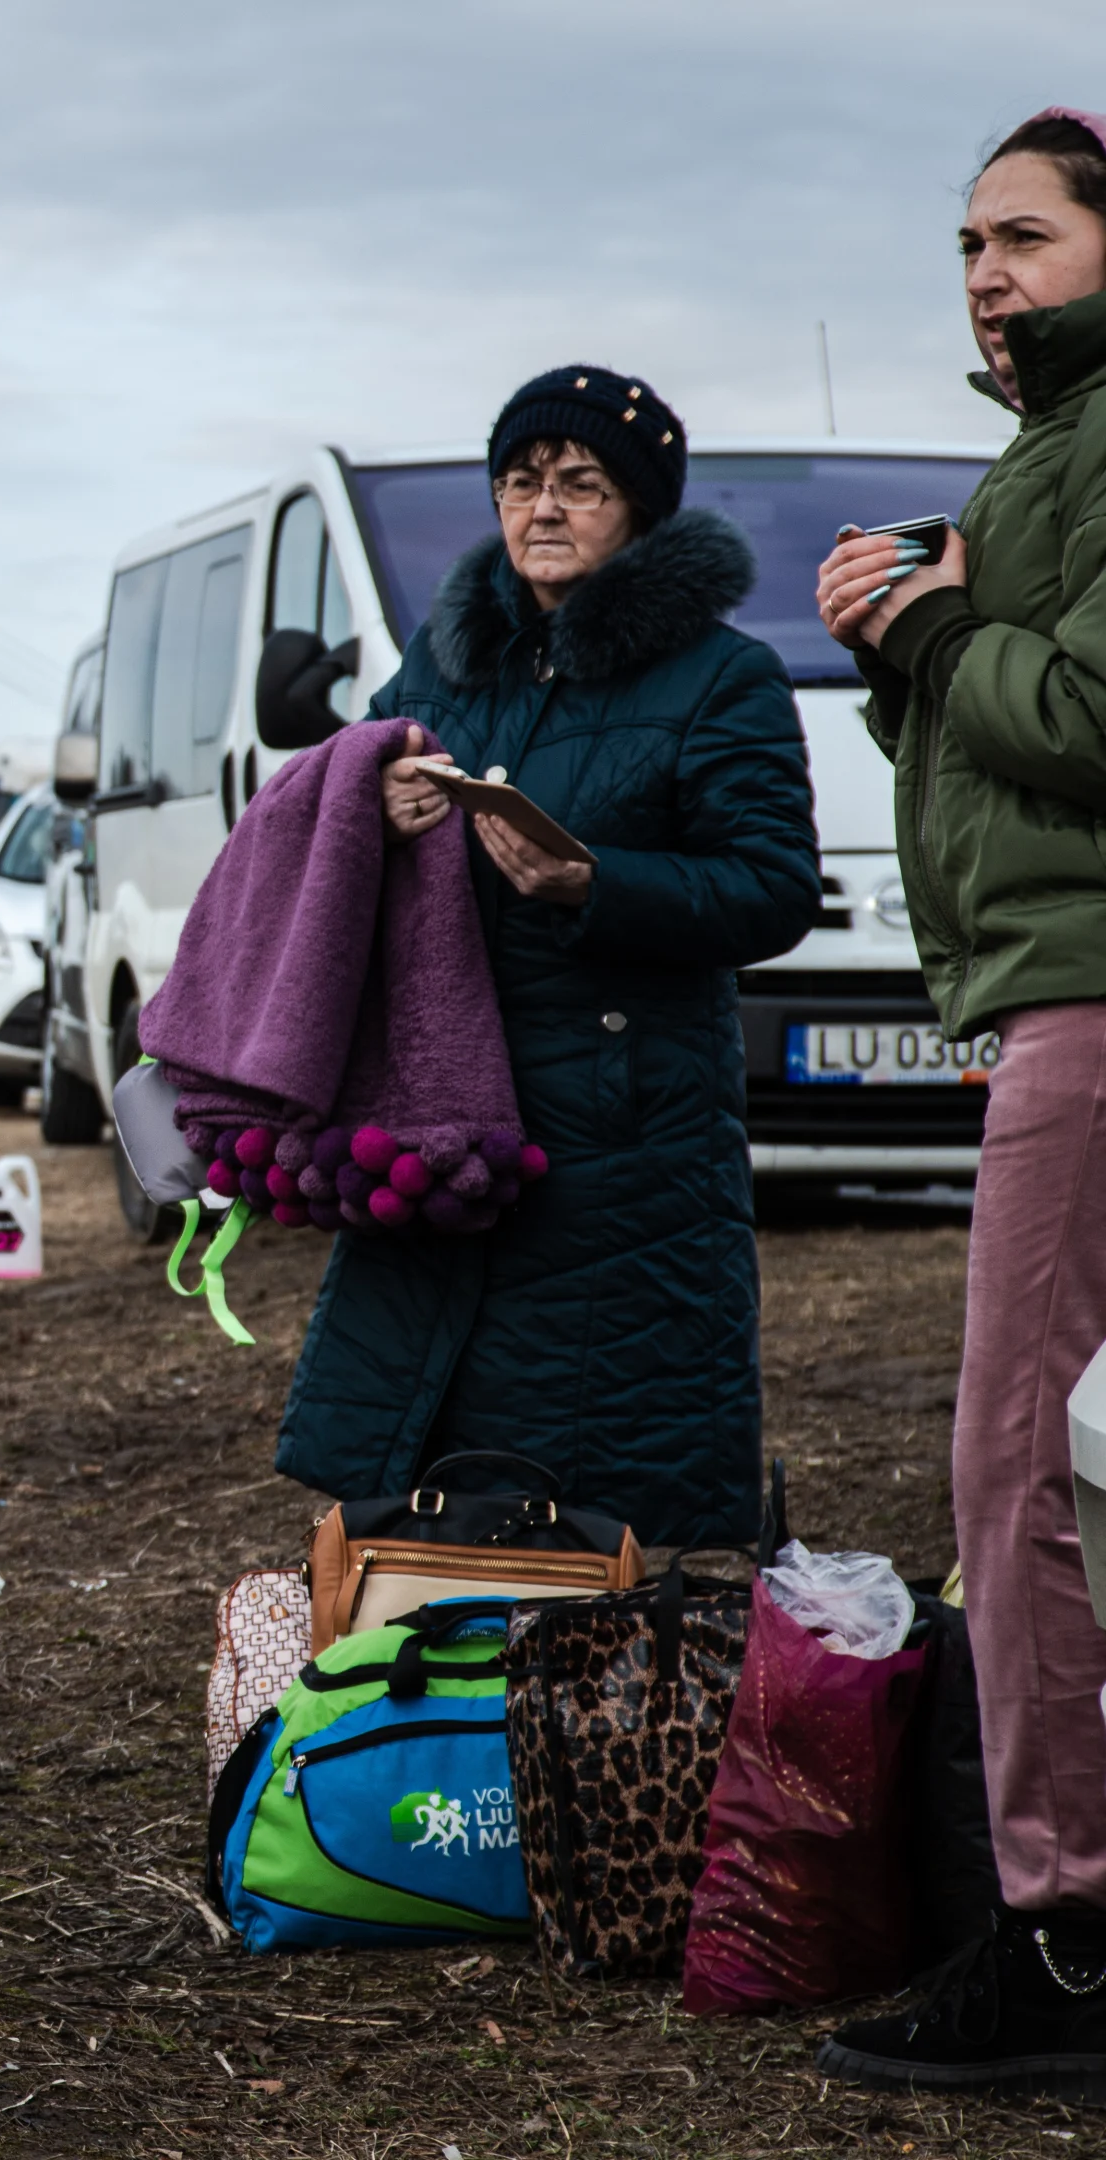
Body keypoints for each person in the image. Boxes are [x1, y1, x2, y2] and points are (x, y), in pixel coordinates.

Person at [277, 366, 815, 1550]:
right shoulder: (449, 658)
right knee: (427, 1466)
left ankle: (579, 1701)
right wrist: (381, 805)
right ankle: (441, 1700)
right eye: (521, 482)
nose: (545, 508)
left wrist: (597, 883)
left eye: (581, 483)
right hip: (445, 1107)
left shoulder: (723, 677)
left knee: (593, 1483)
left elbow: (774, 889)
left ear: (641, 510)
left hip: (624, 1145)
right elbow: (359, 778)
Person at [805, 108, 1106, 2093]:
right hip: (1056, 997)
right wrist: (912, 636)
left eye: (1023, 238)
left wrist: (924, 625)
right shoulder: (1039, 462)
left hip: (1090, 1008)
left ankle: (1064, 1941)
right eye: (966, 250)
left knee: (1021, 1478)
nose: (986, 275)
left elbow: (1084, 722)